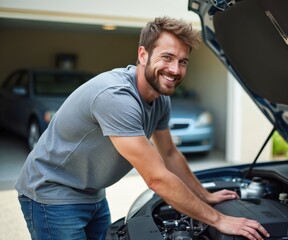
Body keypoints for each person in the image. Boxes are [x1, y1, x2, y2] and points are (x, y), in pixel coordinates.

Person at [15, 17, 270, 240]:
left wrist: (204, 195)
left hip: (91, 192)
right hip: (52, 193)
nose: (175, 69)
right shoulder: (116, 97)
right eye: (167, 58)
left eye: (183, 61)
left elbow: (169, 154)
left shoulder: (160, 99)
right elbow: (156, 177)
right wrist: (218, 220)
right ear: (142, 55)